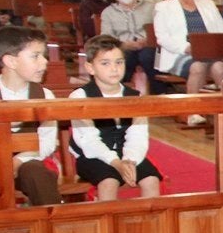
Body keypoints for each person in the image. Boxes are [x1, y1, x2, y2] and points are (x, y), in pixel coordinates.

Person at [68, 35, 162, 201]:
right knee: (109, 182)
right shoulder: (80, 97)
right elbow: (88, 141)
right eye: (105, 63)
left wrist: (129, 160)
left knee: (151, 180)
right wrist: (115, 162)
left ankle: (150, 223)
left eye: (119, 62)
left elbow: (138, 135)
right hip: (92, 155)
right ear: (90, 68)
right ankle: (108, 224)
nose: (114, 69)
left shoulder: (135, 97)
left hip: (127, 153)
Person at [153, 0, 223, 126]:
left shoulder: (208, 4)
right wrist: (186, 47)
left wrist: (215, 47)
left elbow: (222, 30)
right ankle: (193, 112)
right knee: (198, 66)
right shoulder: (163, 7)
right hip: (180, 54)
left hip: (209, 51)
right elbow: (162, 37)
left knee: (220, 68)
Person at [0, 26, 60, 205]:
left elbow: (47, 142)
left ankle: (53, 225)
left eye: (44, 56)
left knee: (37, 174)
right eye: (35, 56)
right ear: (11, 61)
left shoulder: (45, 95)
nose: (44, 62)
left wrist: (17, 161)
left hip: (29, 159)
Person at [99, 0, 155, 95]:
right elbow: (106, 36)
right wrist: (123, 44)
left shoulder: (150, 7)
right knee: (124, 58)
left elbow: (158, 28)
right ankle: (122, 93)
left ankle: (158, 93)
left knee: (148, 57)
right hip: (122, 46)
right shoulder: (108, 12)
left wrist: (147, 39)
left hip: (147, 44)